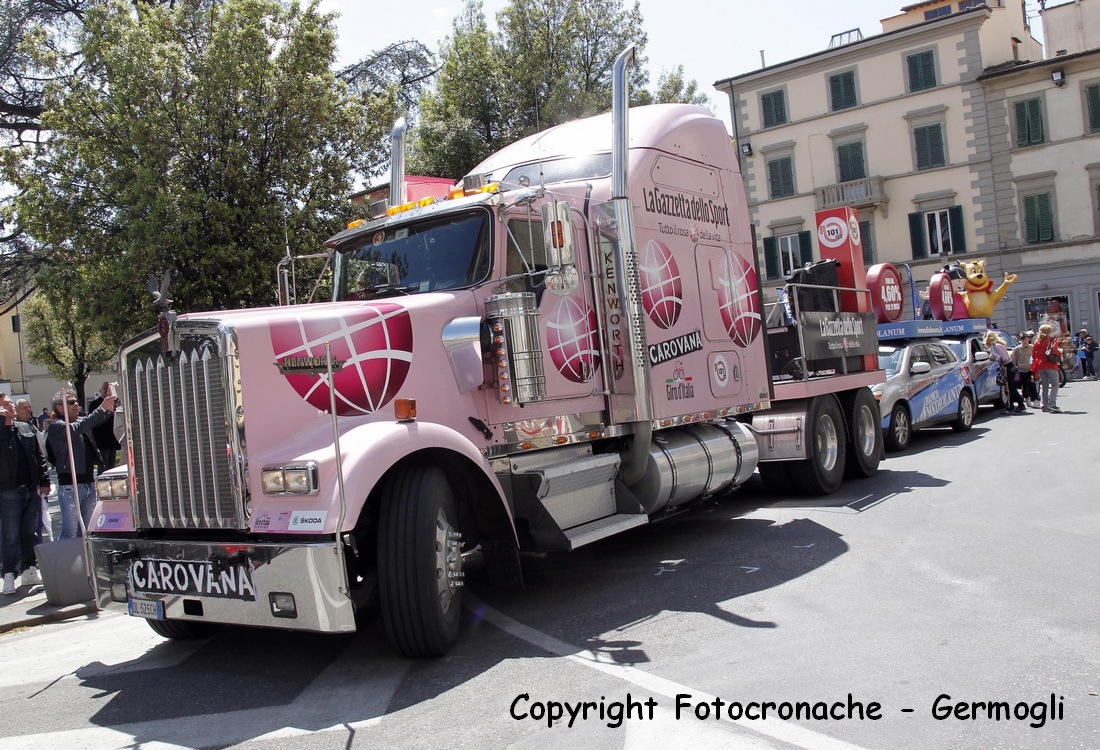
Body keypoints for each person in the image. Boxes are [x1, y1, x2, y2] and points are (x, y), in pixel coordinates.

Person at [46, 388, 116, 539]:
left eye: (76, 401)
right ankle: (65, 554)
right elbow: (78, 428)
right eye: (71, 402)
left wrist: (109, 405)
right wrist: (101, 408)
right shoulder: (57, 426)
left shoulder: (79, 421)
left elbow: (93, 422)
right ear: (59, 407)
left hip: (88, 481)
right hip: (70, 485)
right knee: (70, 531)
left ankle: (83, 554)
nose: (76, 404)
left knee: (88, 529)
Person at [0, 393, 52, 594]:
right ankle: (9, 574)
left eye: (10, 403)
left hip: (30, 487)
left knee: (31, 531)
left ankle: (30, 568)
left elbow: (39, 456)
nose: (10, 407)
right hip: (8, 490)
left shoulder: (25, 428)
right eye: (5, 405)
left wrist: (44, 481)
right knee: (10, 535)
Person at [14, 399, 53, 543]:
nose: (28, 409)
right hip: (23, 485)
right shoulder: (14, 429)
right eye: (24, 407)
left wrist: (44, 481)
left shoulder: (32, 426)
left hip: (37, 482)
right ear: (16, 410)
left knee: (38, 522)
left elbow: (40, 455)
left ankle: (36, 550)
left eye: (30, 407)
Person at [88, 381, 122, 475]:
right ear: (100, 391)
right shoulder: (95, 404)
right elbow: (93, 422)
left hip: (112, 438)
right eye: (105, 389)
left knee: (112, 465)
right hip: (101, 439)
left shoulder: (116, 402)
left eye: (109, 388)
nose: (107, 391)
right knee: (103, 465)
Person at [985, 331, 1023, 413]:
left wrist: (994, 358)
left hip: (1008, 366)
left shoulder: (996, 346)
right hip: (1008, 366)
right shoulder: (995, 346)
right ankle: (1020, 403)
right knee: (1011, 387)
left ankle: (1011, 407)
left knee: (1009, 388)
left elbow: (1005, 358)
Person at [1031, 324, 1062, 413]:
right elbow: (1056, 351)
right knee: (1055, 385)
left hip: (1040, 366)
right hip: (1050, 365)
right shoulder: (1052, 340)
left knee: (1044, 386)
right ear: (1049, 332)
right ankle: (1052, 404)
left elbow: (1033, 355)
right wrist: (1060, 353)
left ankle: (1044, 405)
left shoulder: (1037, 342)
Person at [1012, 331, 1038, 408]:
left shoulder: (1032, 347)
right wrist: (1013, 369)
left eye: (1026, 339)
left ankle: (1035, 399)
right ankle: (1026, 398)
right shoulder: (1017, 349)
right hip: (1022, 370)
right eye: (1023, 340)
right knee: (1024, 385)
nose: (1024, 341)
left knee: (1032, 384)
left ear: (1028, 339)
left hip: (1030, 369)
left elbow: (1035, 357)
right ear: (1020, 340)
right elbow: (1014, 360)